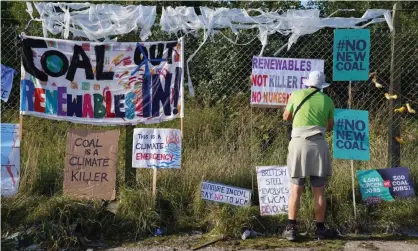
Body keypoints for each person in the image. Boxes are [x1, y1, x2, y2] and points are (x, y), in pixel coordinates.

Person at [281, 70, 335, 241]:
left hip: (298, 144)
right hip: (318, 145)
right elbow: (330, 125)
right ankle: (320, 229)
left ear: (307, 83)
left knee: (296, 188)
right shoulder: (328, 100)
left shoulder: (296, 95)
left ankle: (291, 228)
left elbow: (286, 117)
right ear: (322, 86)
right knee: (318, 190)